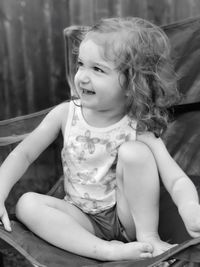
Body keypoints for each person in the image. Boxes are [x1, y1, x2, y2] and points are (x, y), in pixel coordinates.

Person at [0, 17, 200, 261]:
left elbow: (176, 179)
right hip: (80, 216)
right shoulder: (65, 114)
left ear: (132, 82)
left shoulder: (139, 126)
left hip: (127, 219)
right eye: (81, 64)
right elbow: (23, 153)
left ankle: (149, 239)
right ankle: (106, 250)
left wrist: (191, 209)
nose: (82, 76)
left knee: (134, 151)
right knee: (26, 204)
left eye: (98, 69)